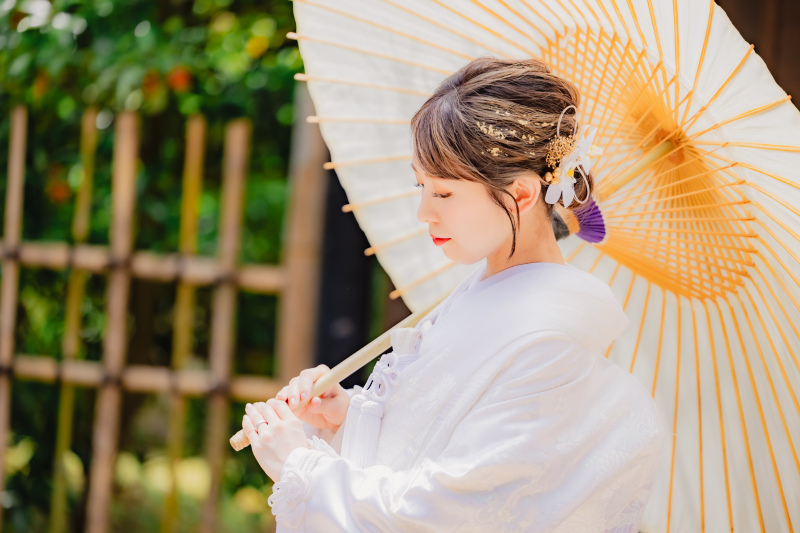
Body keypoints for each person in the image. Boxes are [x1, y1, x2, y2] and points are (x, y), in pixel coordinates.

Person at [240, 57, 666, 532]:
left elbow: (452, 510)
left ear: (522, 195)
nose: (424, 212)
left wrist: (302, 466)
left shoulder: (548, 340)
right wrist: (349, 416)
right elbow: (429, 436)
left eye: (443, 194)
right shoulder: (480, 291)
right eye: (420, 186)